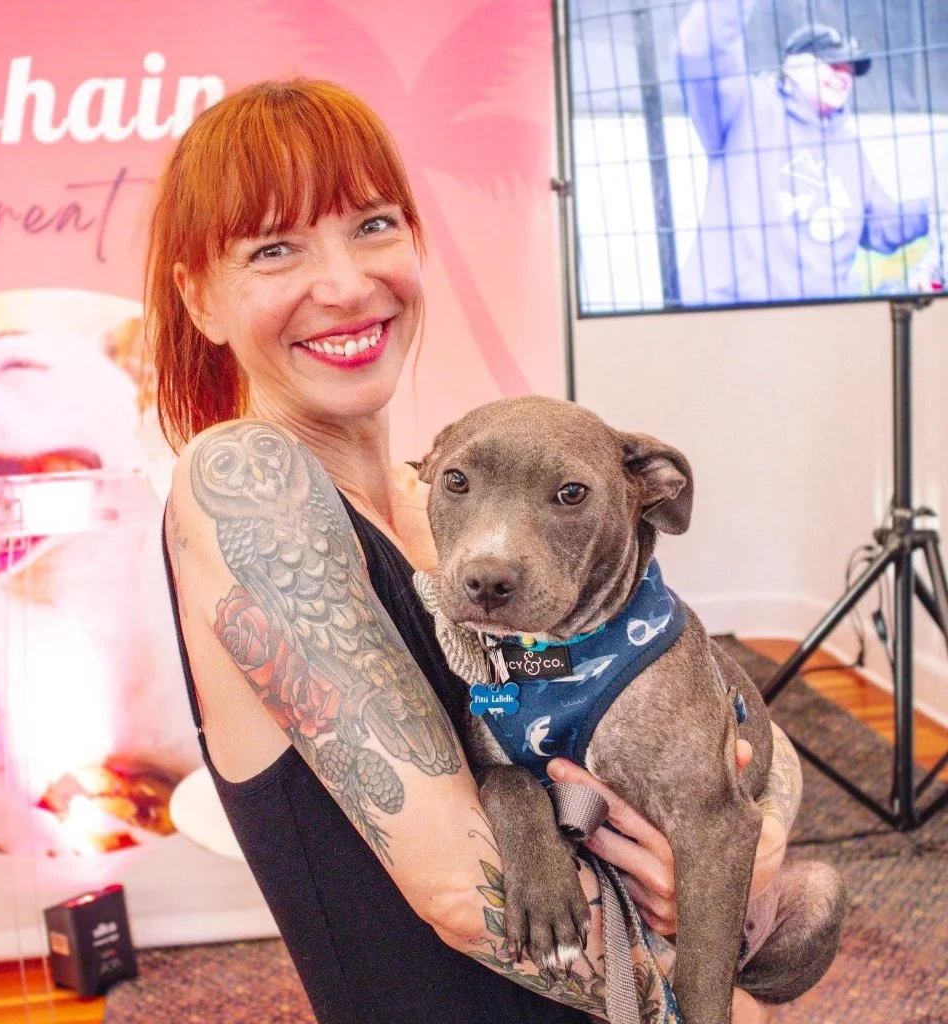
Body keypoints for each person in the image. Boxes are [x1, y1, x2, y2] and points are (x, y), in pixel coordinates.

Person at [151, 79, 799, 1024]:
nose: (344, 283)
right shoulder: (249, 481)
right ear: (200, 299)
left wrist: (753, 844)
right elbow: (469, 898)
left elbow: (706, 714)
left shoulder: (459, 510)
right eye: (275, 249)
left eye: (373, 225)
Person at [676, 0, 941, 304]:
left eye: (851, 69)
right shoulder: (746, 107)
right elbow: (698, 51)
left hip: (820, 324)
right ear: (796, 66)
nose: (845, 75)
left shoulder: (846, 144)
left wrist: (936, 206)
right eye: (833, 63)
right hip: (733, 314)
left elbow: (878, 227)